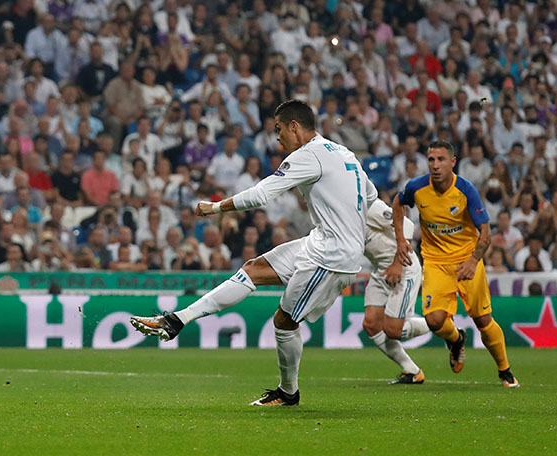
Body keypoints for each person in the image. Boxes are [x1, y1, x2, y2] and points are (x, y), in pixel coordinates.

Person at [131, 100, 377, 406]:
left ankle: (288, 393)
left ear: (294, 127)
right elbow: (370, 195)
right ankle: (177, 320)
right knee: (252, 268)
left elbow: (261, 195)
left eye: (278, 130)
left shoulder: (308, 154)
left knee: (284, 322)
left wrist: (215, 207)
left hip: (331, 256)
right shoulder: (343, 153)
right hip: (321, 241)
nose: (277, 138)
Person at [392, 141, 519, 388]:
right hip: (436, 262)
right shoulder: (417, 187)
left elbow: (485, 232)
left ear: (452, 162)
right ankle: (456, 339)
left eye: (441, 160)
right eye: (431, 160)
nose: (435, 165)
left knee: (483, 321)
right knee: (434, 321)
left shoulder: (466, 190)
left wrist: (473, 261)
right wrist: (400, 239)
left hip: (466, 261)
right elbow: (398, 204)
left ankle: (505, 370)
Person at [362, 199, 430, 384]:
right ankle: (412, 371)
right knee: (371, 324)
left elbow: (406, 224)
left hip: (403, 266)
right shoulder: (338, 214)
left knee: (392, 330)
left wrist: (398, 264)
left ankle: (440, 323)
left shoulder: (366, 205)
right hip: (380, 271)